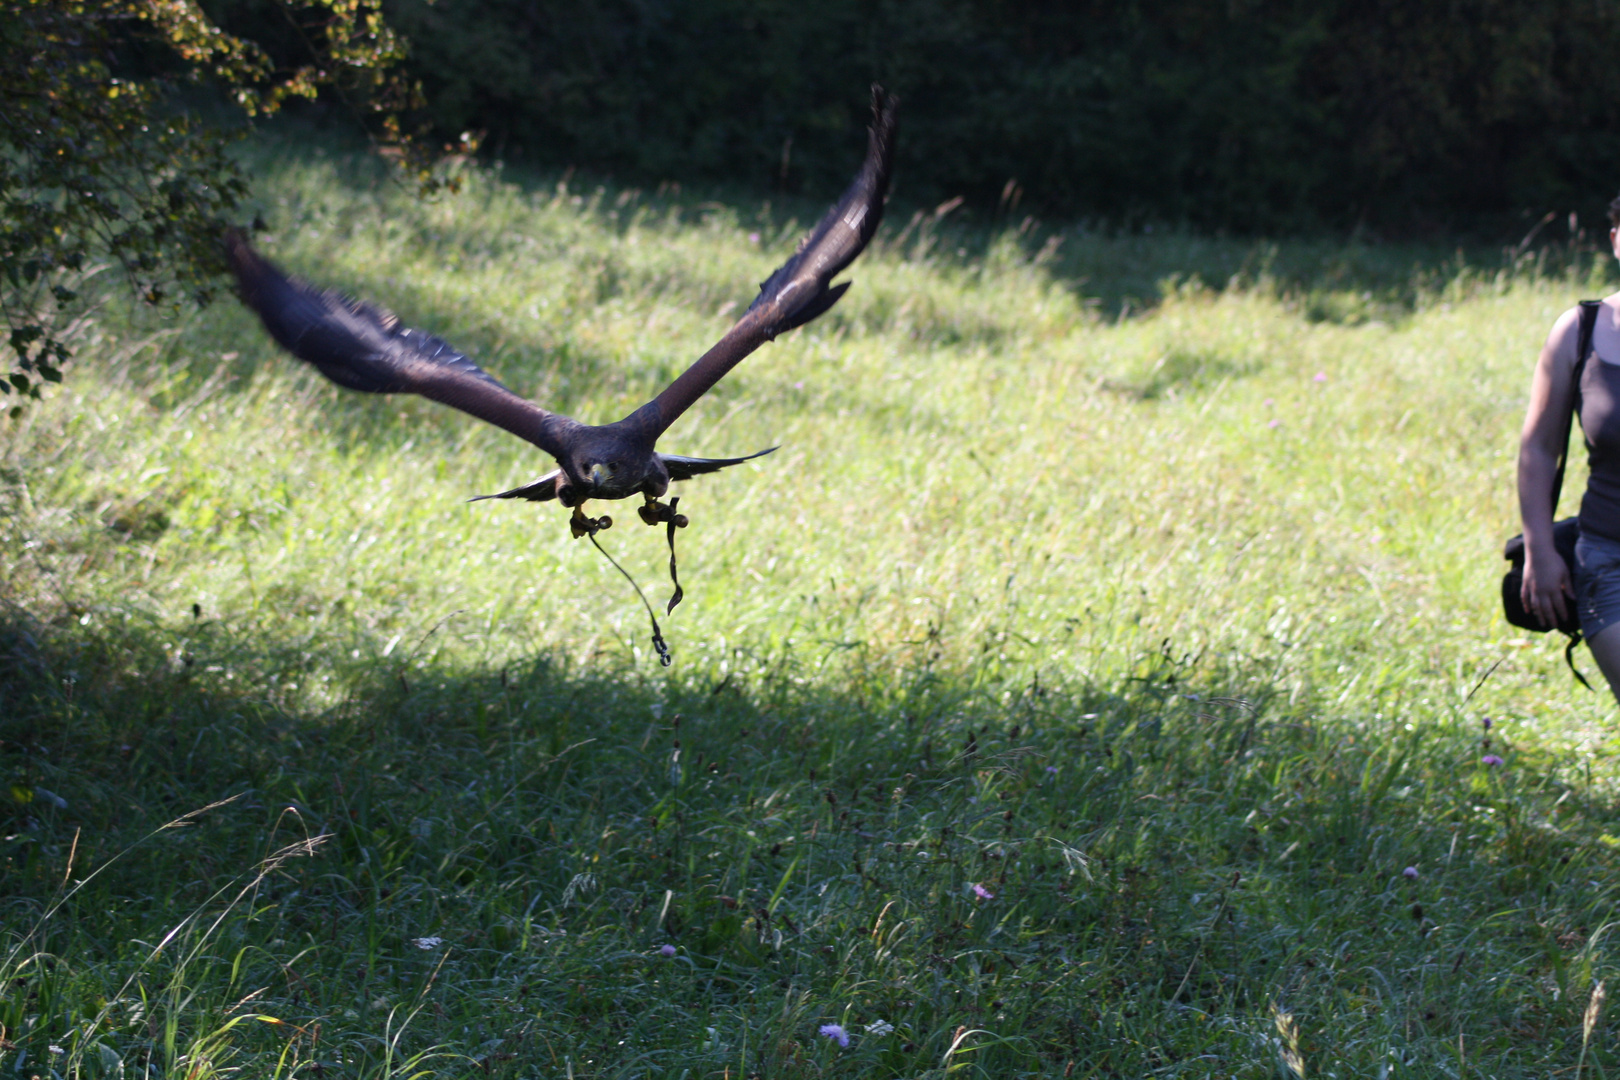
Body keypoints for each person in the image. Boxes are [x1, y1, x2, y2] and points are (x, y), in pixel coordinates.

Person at [1519, 194, 1620, 698]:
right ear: (1616, 241)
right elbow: (1538, 449)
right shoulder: (1579, 332)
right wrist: (1538, 548)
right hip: (1608, 560)